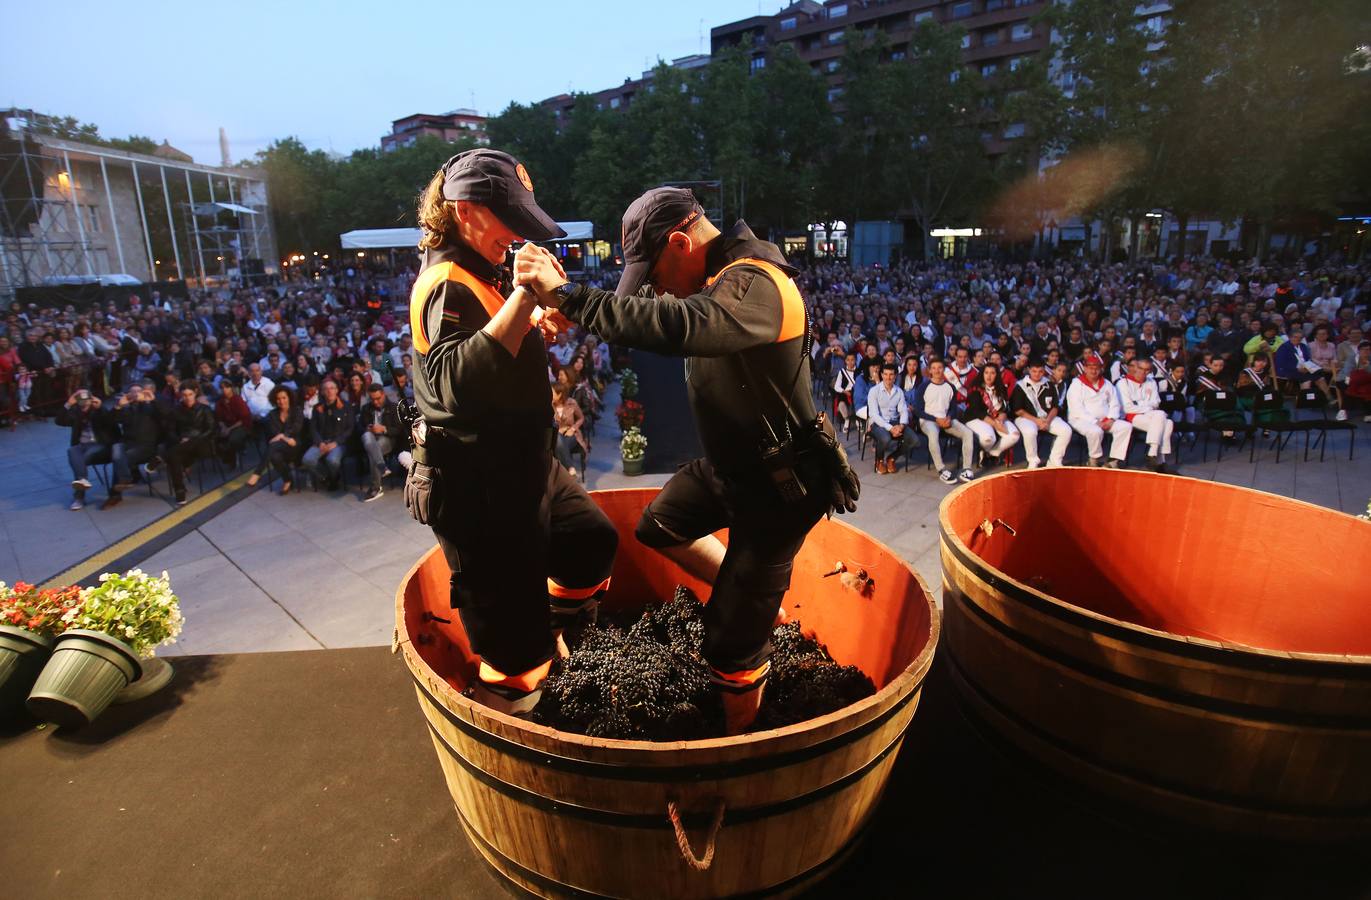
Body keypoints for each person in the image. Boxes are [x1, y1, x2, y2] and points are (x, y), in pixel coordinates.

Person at [522, 186, 858, 733]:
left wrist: (570, 297)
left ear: (681, 241)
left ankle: (739, 743)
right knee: (660, 525)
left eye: (654, 273)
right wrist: (566, 313)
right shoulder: (709, 279)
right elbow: (643, 312)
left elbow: (679, 325)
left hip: (780, 490)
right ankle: (751, 600)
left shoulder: (755, 283)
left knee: (728, 649)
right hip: (731, 471)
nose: (655, 289)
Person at [405, 149, 618, 716]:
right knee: (516, 655)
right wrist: (526, 297)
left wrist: (532, 320)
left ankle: (553, 636)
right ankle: (509, 721)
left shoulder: (482, 267)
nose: (519, 236)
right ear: (466, 210)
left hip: (528, 469)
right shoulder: (445, 283)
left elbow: (497, 347)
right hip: (481, 491)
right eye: (511, 220)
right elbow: (452, 383)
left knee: (589, 543)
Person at [914, 359, 977, 484]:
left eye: (940, 367)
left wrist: (949, 417)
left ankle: (967, 469)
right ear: (930, 370)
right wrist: (936, 419)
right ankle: (941, 469)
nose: (937, 370)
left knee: (968, 433)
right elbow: (918, 410)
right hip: (928, 420)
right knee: (933, 434)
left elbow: (953, 408)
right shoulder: (923, 386)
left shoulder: (950, 387)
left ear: (944, 369)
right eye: (934, 368)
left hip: (946, 419)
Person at [56, 389, 118, 510]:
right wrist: (68, 404)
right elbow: (59, 421)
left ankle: (79, 494)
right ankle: (82, 482)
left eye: (86, 401)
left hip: (100, 446)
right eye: (81, 401)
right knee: (72, 451)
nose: (84, 404)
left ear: (91, 400)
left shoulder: (99, 411)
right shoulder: (75, 412)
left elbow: (111, 422)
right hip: (83, 446)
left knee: (78, 460)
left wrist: (101, 408)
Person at [1067, 354, 1132, 468]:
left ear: (1101, 369)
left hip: (1105, 419)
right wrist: (1095, 422)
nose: (1094, 371)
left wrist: (1111, 419)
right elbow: (1077, 408)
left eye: (1096, 368)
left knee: (1126, 427)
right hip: (1080, 419)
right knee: (1096, 431)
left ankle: (1113, 460)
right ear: (1085, 369)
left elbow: (1115, 403)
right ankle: (1094, 459)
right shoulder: (1077, 383)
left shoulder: (1107, 384)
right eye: (1091, 368)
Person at [1115, 358, 1176, 472]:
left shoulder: (1151, 382)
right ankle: (1159, 460)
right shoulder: (1123, 383)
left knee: (1166, 421)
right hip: (1131, 416)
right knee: (1164, 420)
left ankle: (1153, 454)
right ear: (1135, 367)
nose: (1143, 372)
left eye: (1147, 370)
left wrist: (1138, 404)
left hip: (1150, 415)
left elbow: (1156, 402)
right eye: (1140, 368)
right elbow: (1127, 407)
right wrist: (1147, 406)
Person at [1010, 359, 1071, 469]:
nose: (1037, 374)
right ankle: (1033, 460)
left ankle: (1054, 460)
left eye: (1040, 371)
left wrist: (1047, 421)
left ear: (1044, 372)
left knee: (1066, 430)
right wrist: (1037, 421)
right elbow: (1018, 410)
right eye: (1034, 371)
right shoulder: (1020, 386)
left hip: (1047, 418)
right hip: (1026, 418)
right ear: (1029, 370)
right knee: (1030, 431)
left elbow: (1055, 407)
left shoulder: (1049, 384)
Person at [161, 384, 216, 505]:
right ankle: (180, 491)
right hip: (181, 446)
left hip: (201, 444)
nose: (188, 397)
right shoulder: (176, 410)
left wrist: (192, 439)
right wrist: (180, 439)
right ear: (181, 395)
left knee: (173, 453)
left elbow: (211, 429)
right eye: (184, 395)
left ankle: (161, 457)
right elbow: (170, 430)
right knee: (174, 456)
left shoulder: (205, 409)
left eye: (190, 394)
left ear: (195, 393)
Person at [248, 386, 305, 494]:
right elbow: (274, 433)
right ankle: (287, 480)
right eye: (278, 399)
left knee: (273, 446)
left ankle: (257, 473)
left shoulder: (296, 410)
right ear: (274, 400)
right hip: (280, 446)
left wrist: (282, 436)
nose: (281, 401)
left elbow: (296, 428)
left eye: (284, 398)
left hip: (295, 446)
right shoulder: (272, 414)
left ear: (289, 398)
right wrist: (285, 438)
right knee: (274, 455)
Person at [962, 362, 1020, 468]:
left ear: (997, 375)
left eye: (992, 373)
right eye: (986, 373)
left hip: (997, 418)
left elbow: (1005, 408)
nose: (989, 376)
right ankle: (983, 450)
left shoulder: (1001, 388)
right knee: (988, 438)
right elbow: (977, 411)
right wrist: (995, 424)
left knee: (1014, 435)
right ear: (982, 374)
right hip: (976, 418)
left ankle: (993, 453)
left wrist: (1001, 419)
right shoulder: (975, 389)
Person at [867, 362, 917, 474]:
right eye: (885, 374)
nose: (888, 377)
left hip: (896, 422)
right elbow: (874, 414)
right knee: (885, 439)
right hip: (879, 423)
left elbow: (903, 410)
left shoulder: (899, 391)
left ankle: (892, 458)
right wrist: (891, 428)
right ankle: (879, 461)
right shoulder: (874, 391)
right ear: (881, 375)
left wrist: (902, 425)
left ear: (895, 376)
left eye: (891, 374)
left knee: (914, 440)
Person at [304, 379, 353, 491]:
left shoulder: (346, 406)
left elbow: (350, 429)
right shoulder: (317, 408)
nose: (329, 391)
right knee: (307, 460)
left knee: (332, 460)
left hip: (338, 443)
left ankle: (334, 477)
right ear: (322, 392)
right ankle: (325, 477)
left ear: (336, 390)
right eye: (326, 389)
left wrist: (335, 443)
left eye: (332, 388)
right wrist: (319, 442)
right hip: (321, 442)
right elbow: (313, 428)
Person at [358, 382, 402, 501]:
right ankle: (382, 467)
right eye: (372, 399)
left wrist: (384, 429)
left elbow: (399, 429)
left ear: (383, 394)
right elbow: (359, 427)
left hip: (387, 439)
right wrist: (367, 428)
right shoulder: (366, 408)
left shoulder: (394, 407)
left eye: (378, 398)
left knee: (374, 449)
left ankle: (375, 487)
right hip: (370, 437)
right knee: (367, 436)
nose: (375, 402)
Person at [552, 381, 588, 478]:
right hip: (556, 434)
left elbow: (581, 418)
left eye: (552, 393)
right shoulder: (549, 406)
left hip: (571, 434)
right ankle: (570, 468)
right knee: (558, 440)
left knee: (560, 445)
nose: (550, 395)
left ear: (559, 394)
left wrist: (573, 428)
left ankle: (564, 474)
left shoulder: (571, 403)